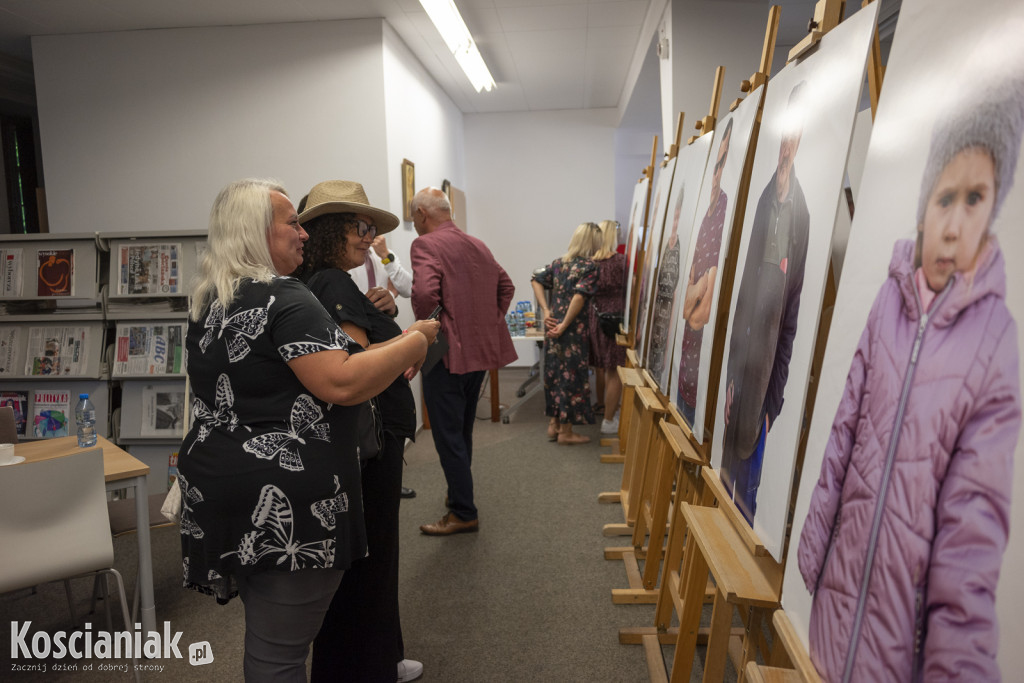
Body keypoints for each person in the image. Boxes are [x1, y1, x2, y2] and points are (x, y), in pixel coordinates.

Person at [798, 80, 1024, 683]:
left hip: (904, 646)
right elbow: (845, 433)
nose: (954, 225)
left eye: (975, 199)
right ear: (923, 207)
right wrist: (814, 551)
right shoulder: (889, 302)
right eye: (944, 198)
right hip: (836, 606)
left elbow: (973, 533)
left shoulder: (994, 341)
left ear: (993, 210)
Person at [178, 178, 434, 681]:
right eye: (292, 223)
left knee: (269, 637)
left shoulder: (212, 299)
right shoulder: (284, 297)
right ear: (256, 231)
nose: (303, 233)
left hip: (221, 487)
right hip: (285, 495)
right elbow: (341, 380)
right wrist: (416, 340)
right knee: (279, 655)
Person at [294, 180, 436, 683]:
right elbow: (357, 363)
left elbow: (355, 345)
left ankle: (379, 658)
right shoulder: (332, 282)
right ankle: (369, 666)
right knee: (372, 557)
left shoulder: (321, 282)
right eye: (359, 226)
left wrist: (384, 314)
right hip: (369, 443)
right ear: (330, 229)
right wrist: (417, 337)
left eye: (370, 227)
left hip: (361, 441)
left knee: (368, 557)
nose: (368, 237)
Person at [721, 81, 809, 525]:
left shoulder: (802, 216)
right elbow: (743, 297)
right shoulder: (762, 200)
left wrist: (774, 401)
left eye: (796, 135)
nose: (787, 145)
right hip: (741, 373)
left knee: (746, 499)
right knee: (724, 479)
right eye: (784, 133)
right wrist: (730, 377)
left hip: (764, 385)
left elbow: (789, 322)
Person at [410, 186, 517, 535]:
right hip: (478, 353)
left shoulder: (426, 244)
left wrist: (432, 332)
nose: (414, 225)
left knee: (447, 435)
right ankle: (459, 494)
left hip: (446, 355)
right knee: (462, 431)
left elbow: (424, 293)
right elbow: (506, 286)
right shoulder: (478, 244)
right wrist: (487, 323)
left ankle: (463, 512)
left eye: (413, 217)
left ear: (422, 214)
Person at [677, 117, 733, 426]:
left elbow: (700, 314)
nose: (715, 174)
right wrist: (697, 290)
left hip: (705, 371)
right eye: (715, 164)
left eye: (722, 164)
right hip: (684, 365)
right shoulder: (702, 217)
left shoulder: (726, 213)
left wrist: (696, 293)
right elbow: (686, 307)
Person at [532, 222, 601, 445]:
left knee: (554, 375)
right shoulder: (590, 267)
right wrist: (564, 325)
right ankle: (567, 432)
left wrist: (546, 310)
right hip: (572, 330)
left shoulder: (559, 263)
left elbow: (535, 279)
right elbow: (579, 297)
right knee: (572, 377)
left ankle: (554, 425)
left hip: (553, 326)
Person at [587, 220, 627, 434]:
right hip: (615, 320)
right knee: (615, 371)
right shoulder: (620, 261)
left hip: (596, 318)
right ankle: (609, 420)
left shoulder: (590, 262)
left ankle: (607, 409)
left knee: (603, 367)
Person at [648, 188, 686, 384]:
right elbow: (656, 285)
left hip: (667, 316)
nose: (675, 223)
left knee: (658, 369)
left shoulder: (679, 248)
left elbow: (676, 294)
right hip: (657, 314)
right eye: (674, 217)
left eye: (678, 218)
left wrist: (668, 343)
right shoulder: (665, 246)